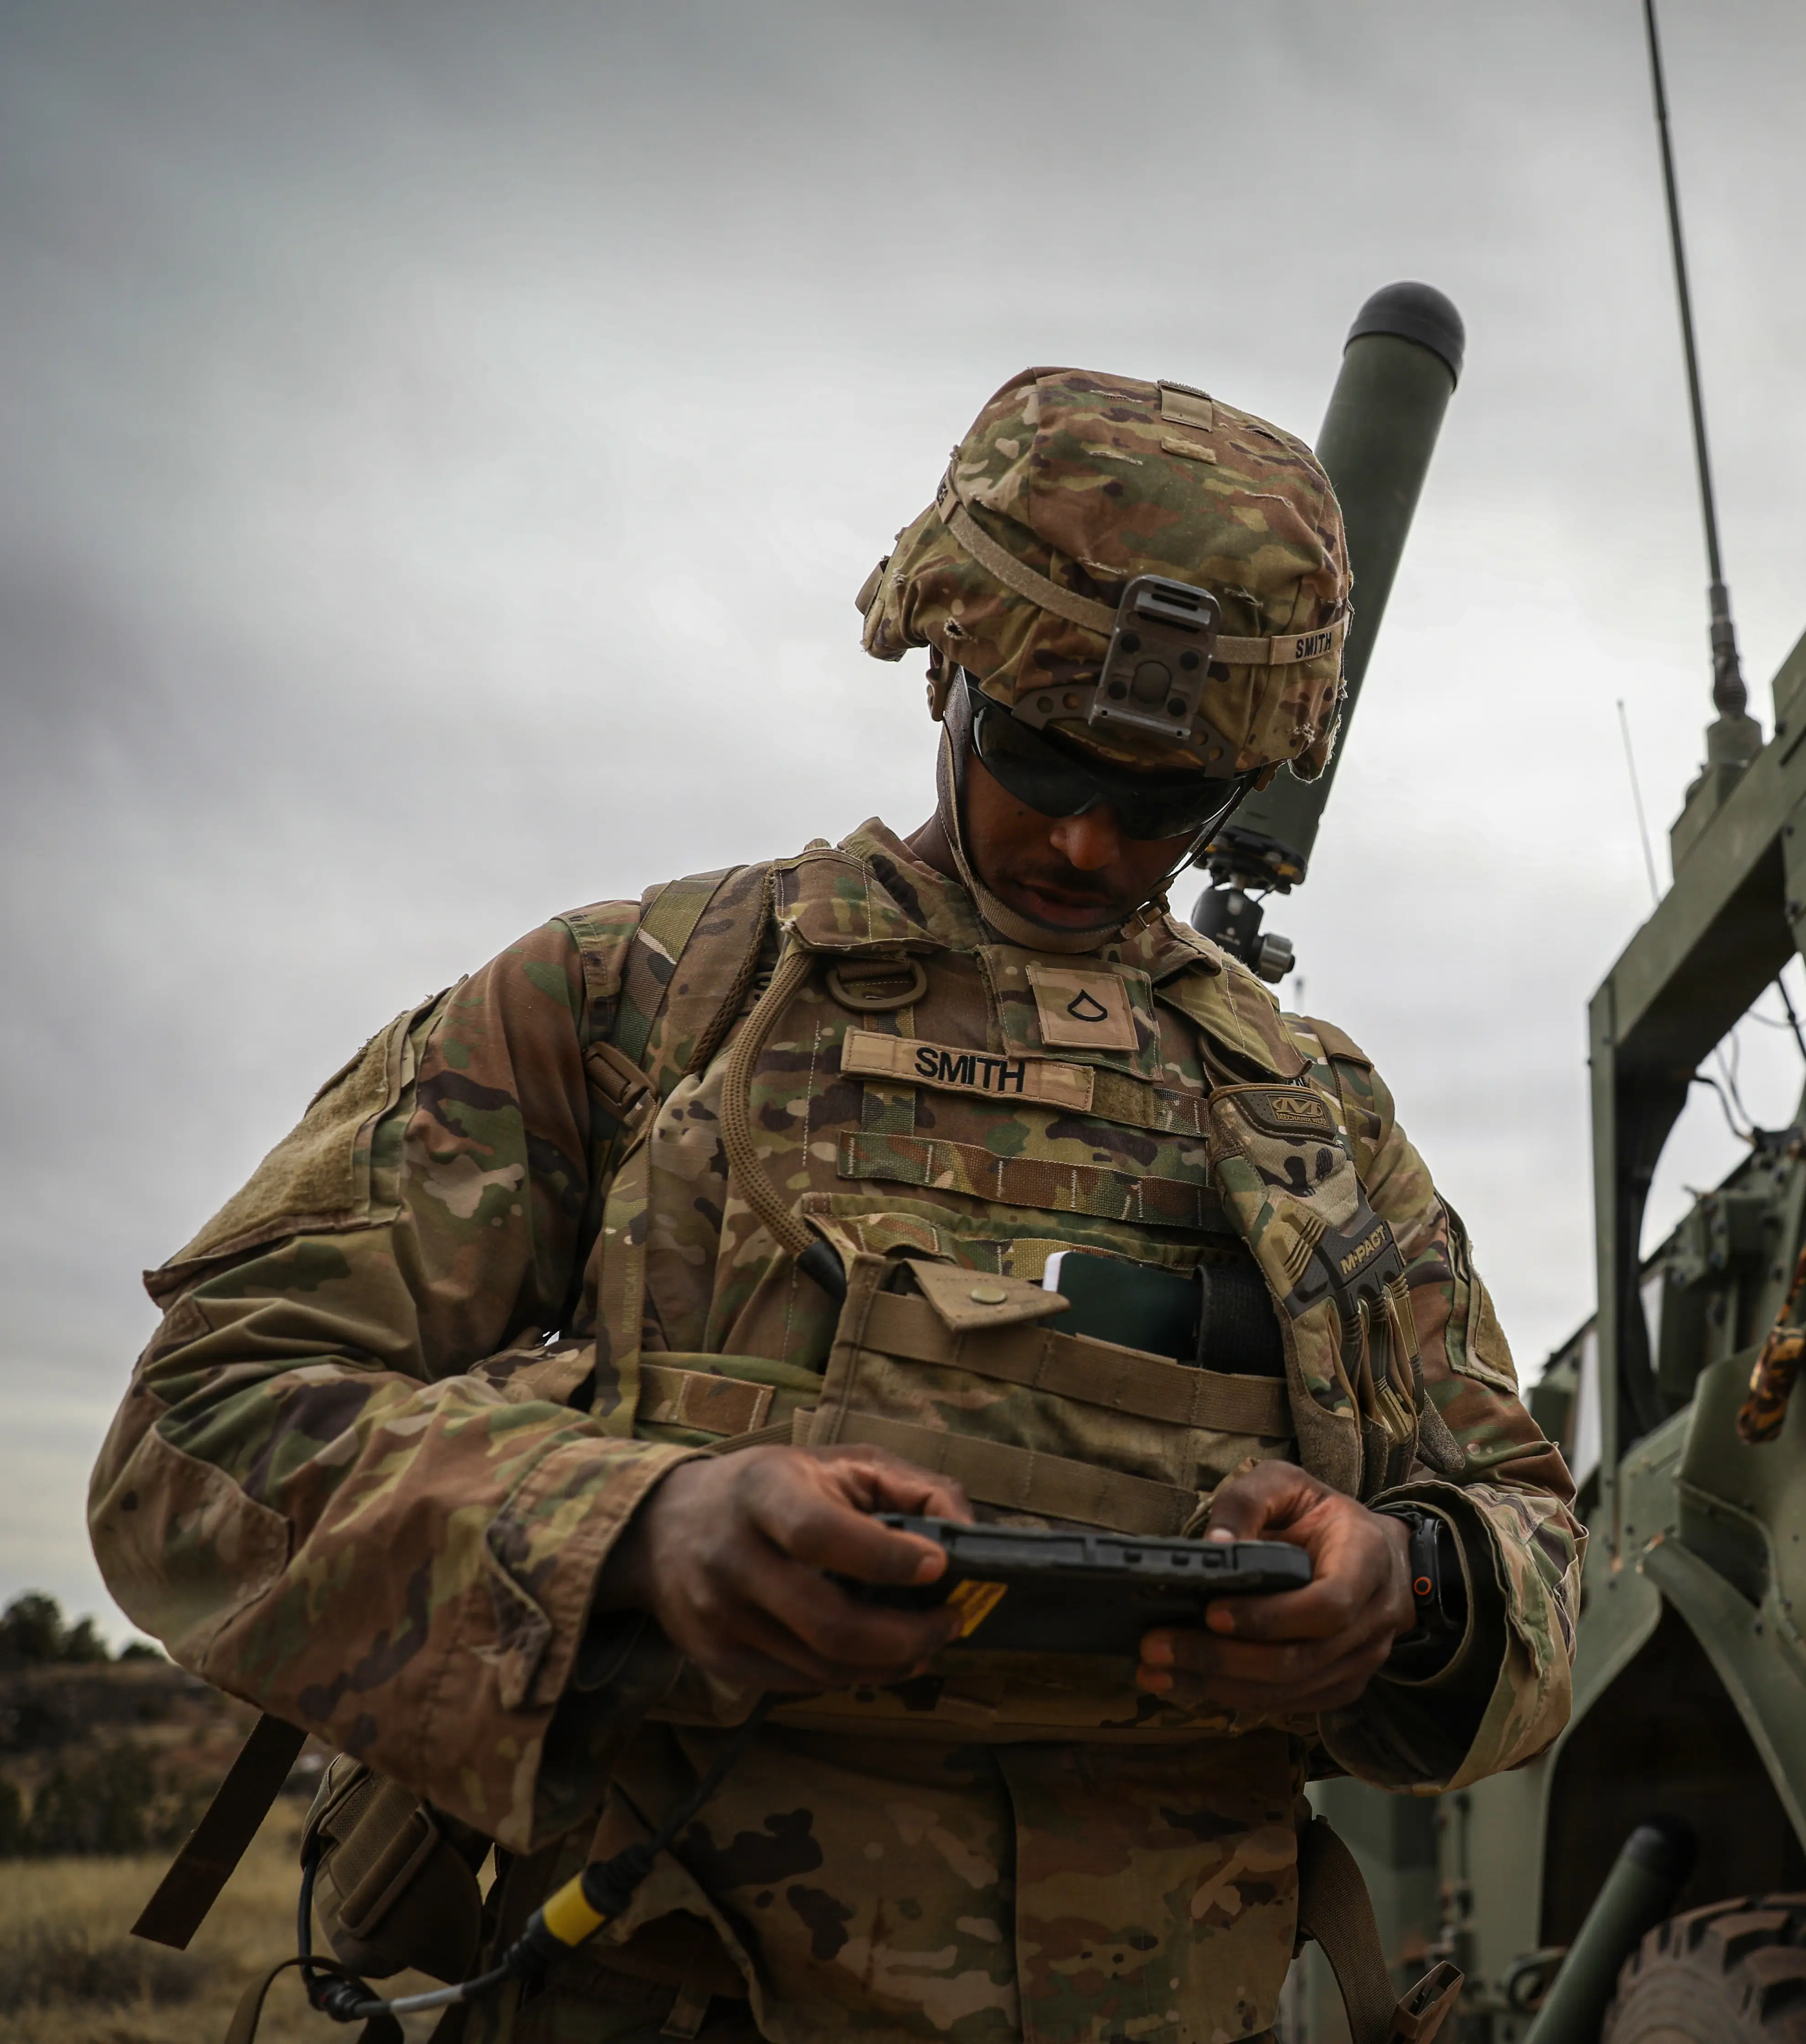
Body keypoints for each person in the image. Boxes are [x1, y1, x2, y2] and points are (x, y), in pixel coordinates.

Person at [88, 367, 1581, 2044]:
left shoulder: (1319, 1123)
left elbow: (1530, 1532)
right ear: (949, 669)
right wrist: (637, 1533)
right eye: (1042, 754)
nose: (1090, 842)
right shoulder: (643, 1000)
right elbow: (195, 1432)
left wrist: (1406, 1588)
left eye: (1165, 803)